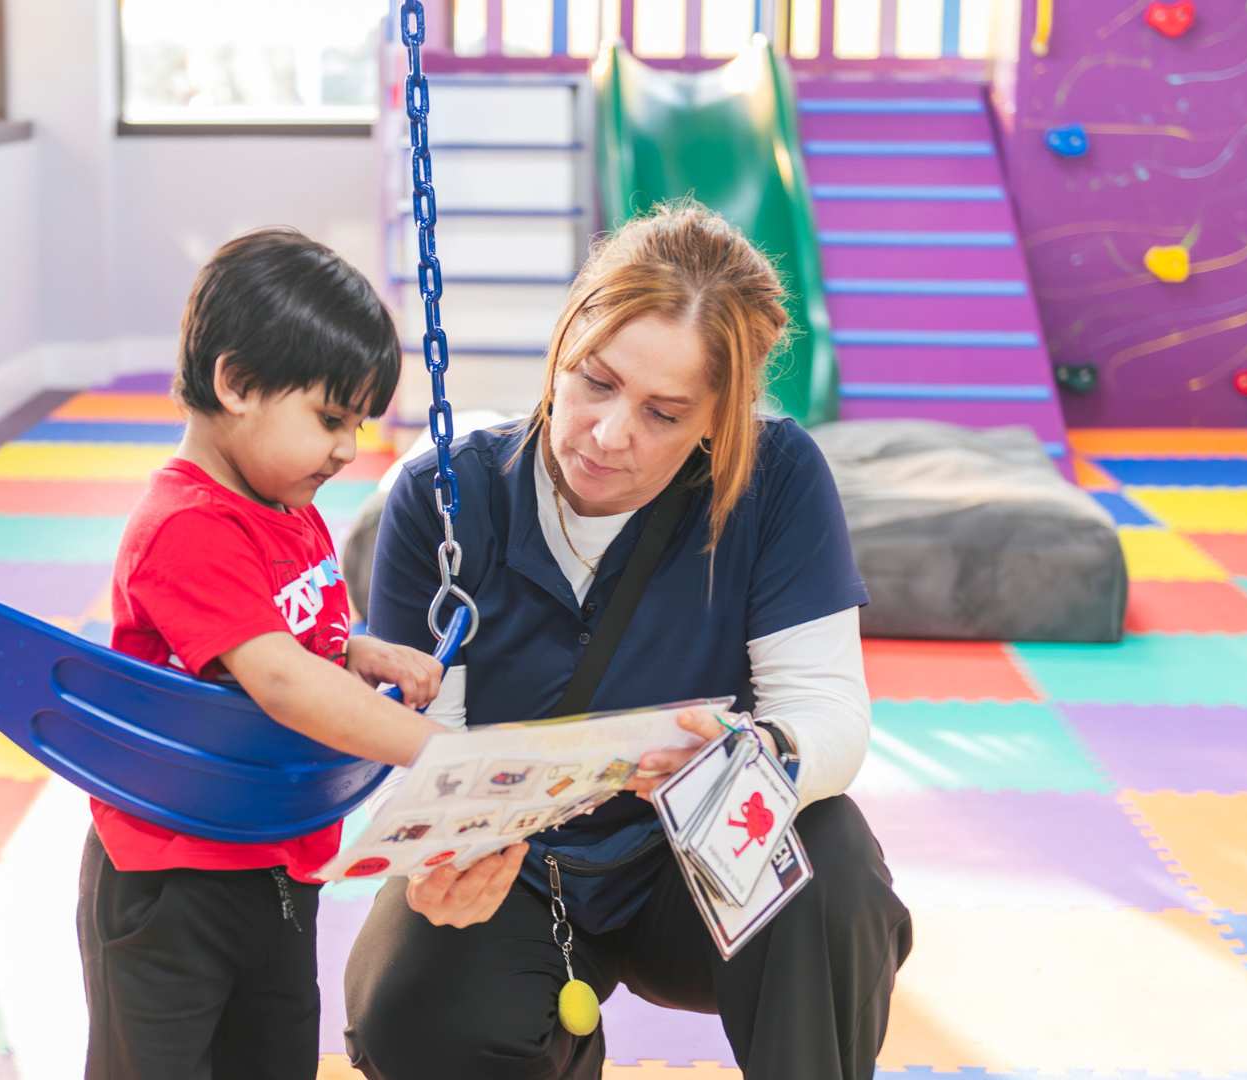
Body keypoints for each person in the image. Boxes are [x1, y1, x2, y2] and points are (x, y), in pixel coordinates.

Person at [343, 202, 914, 1079]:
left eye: (664, 413)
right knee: (412, 1016)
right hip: (517, 869)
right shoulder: (444, 495)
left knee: (830, 869)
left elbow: (827, 710)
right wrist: (448, 853)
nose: (610, 437)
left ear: (716, 423)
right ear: (564, 344)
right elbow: (428, 747)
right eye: (595, 382)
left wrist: (757, 753)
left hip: (691, 863)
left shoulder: (777, 477)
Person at [74, 226, 488, 1080]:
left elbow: (297, 640)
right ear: (236, 384)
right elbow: (280, 681)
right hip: (173, 877)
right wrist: (437, 753)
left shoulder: (281, 501)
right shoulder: (186, 528)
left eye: (360, 423)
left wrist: (361, 649)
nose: (347, 448)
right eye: (331, 418)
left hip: (276, 860)